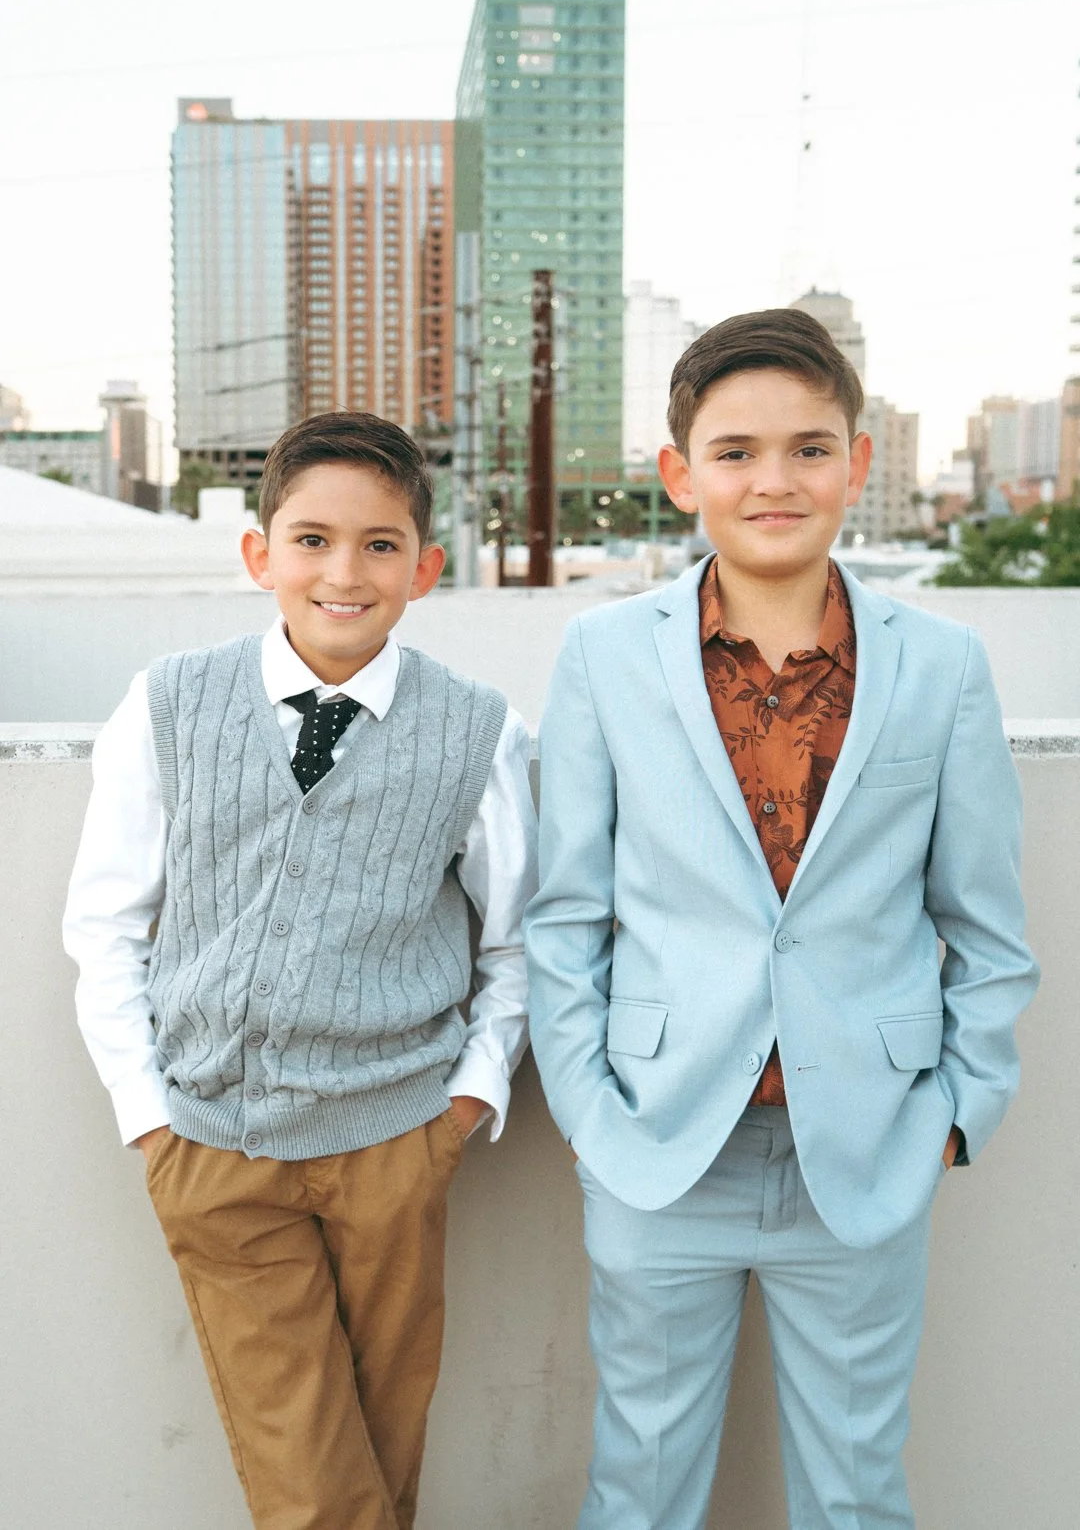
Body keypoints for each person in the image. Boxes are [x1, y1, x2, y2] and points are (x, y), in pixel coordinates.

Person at [524, 309, 1038, 1530]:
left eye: (810, 449)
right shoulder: (602, 656)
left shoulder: (945, 664)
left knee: (857, 1488)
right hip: (659, 1145)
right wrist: (595, 1119)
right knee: (638, 1483)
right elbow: (564, 914)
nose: (774, 480)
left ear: (859, 464)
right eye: (737, 450)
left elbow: (987, 923)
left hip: (865, 1149)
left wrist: (956, 1115)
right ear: (679, 473)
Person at [64, 411, 537, 1530]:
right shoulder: (169, 703)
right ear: (259, 554)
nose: (343, 571)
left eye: (380, 545)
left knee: (382, 1443)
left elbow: (521, 937)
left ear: (425, 568)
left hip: (395, 1140)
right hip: (214, 1143)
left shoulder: (480, 731)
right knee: (314, 1484)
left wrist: (468, 1100)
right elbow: (107, 923)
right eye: (313, 538)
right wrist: (149, 1113)